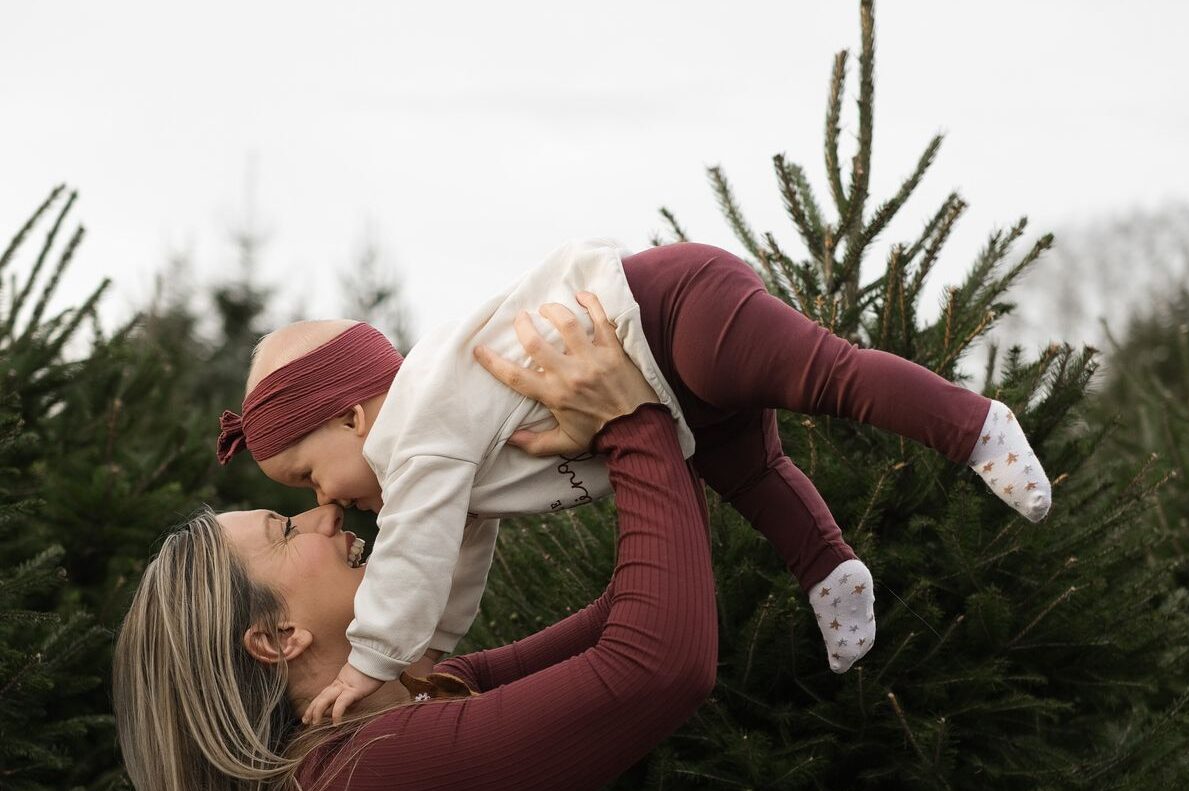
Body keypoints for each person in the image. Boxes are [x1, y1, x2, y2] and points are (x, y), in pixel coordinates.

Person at [111, 319, 716, 791]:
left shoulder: (413, 703)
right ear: (276, 638)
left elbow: (639, 606)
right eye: (285, 529)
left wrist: (664, 420)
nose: (325, 515)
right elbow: (660, 662)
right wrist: (634, 420)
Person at [215, 240, 1052, 723]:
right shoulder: (436, 461)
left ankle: (974, 425)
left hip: (665, 314)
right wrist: (432, 647)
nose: (323, 501)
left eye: (307, 474)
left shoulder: (418, 425)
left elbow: (415, 547)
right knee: (754, 472)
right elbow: (459, 550)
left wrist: (373, 660)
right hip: (666, 385)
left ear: (355, 418)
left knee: (827, 376)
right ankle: (833, 571)